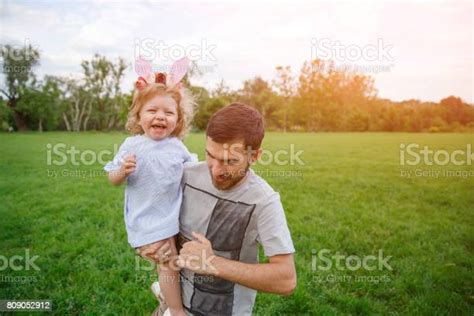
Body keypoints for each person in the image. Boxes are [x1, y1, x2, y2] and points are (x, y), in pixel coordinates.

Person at [145, 103, 297, 316]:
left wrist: (212, 263)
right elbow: (154, 224)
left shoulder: (264, 202)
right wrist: (150, 246)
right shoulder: (185, 175)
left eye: (229, 161)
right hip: (172, 306)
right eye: (210, 155)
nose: (216, 170)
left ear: (254, 156)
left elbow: (286, 279)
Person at [104, 57, 195, 316]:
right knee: (169, 263)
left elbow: (192, 170)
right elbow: (111, 177)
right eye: (152, 110)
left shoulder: (177, 147)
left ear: (177, 120)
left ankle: (164, 292)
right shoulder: (132, 145)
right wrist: (123, 170)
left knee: (175, 263)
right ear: (139, 115)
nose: (160, 116)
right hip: (146, 218)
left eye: (168, 112)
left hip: (172, 215)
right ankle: (176, 310)